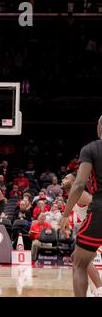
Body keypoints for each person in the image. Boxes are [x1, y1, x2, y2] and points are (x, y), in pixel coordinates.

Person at [60, 120, 102, 296]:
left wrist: (65, 215)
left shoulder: (91, 149)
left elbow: (79, 185)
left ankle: (99, 289)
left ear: (99, 128)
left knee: (79, 262)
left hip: (99, 211)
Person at [61, 172, 102, 296]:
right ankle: (90, 290)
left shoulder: (81, 194)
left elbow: (98, 206)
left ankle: (99, 289)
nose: (63, 179)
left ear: (74, 182)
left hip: (96, 228)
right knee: (77, 258)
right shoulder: (73, 197)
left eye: (66, 178)